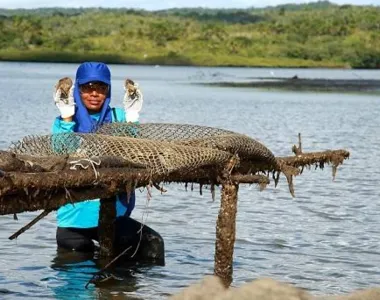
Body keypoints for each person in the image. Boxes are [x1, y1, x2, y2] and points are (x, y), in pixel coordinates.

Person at [52, 61, 164, 265]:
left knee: (153, 244)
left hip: (114, 215)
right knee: (79, 278)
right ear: (78, 89)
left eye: (101, 88)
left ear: (108, 90)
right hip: (75, 220)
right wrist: (67, 118)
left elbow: (133, 150)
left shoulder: (118, 117)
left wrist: (132, 117)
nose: (94, 94)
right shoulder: (67, 118)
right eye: (88, 88)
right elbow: (60, 151)